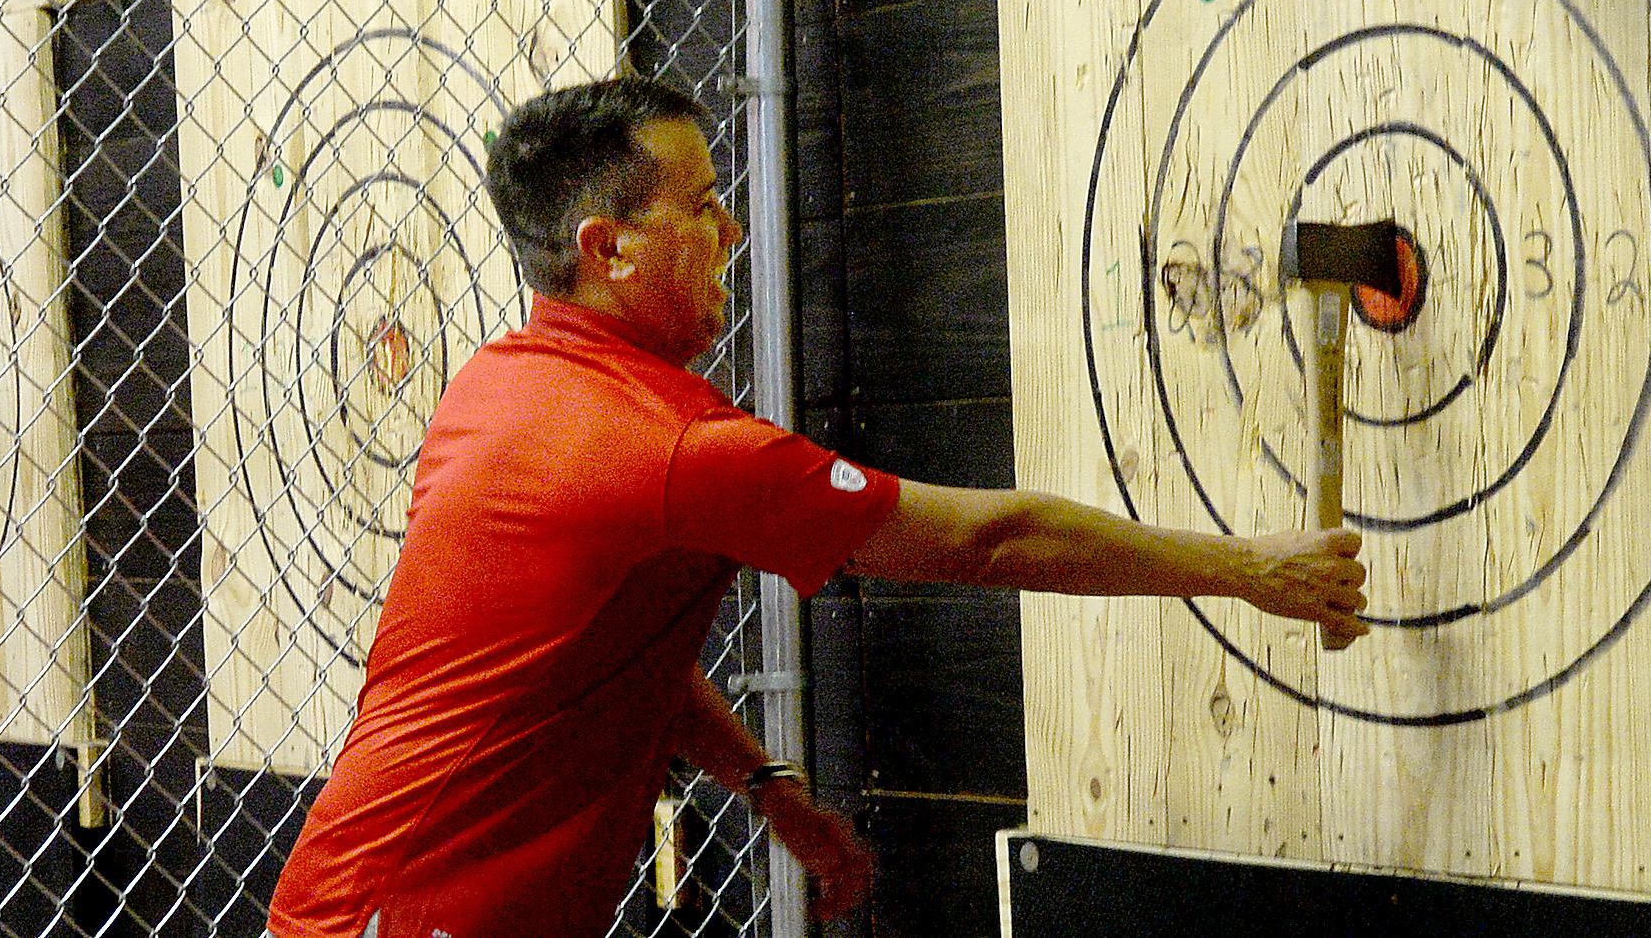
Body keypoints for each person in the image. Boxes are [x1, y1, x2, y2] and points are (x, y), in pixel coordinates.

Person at [263, 77, 1369, 938]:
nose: (729, 232)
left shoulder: (502, 382)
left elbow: (606, 648)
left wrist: (765, 786)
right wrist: (1249, 569)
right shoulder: (669, 448)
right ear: (607, 249)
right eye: (699, 206)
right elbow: (987, 539)